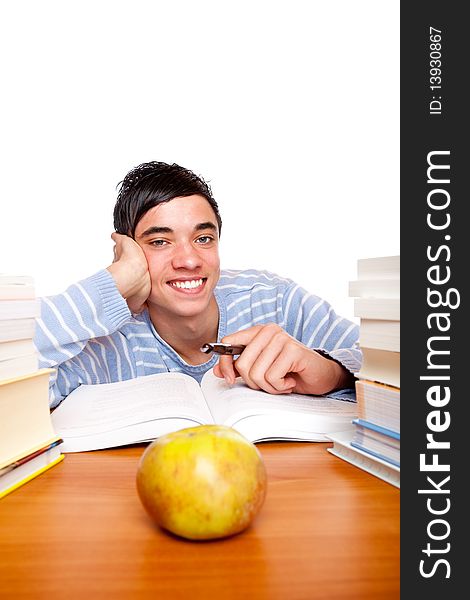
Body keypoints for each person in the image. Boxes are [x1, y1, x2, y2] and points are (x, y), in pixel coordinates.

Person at [35, 161, 361, 408]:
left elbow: (393, 364)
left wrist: (332, 373)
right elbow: (20, 390)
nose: (189, 260)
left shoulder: (276, 301)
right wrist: (112, 283)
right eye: (160, 242)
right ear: (128, 252)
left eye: (203, 238)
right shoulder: (109, 342)